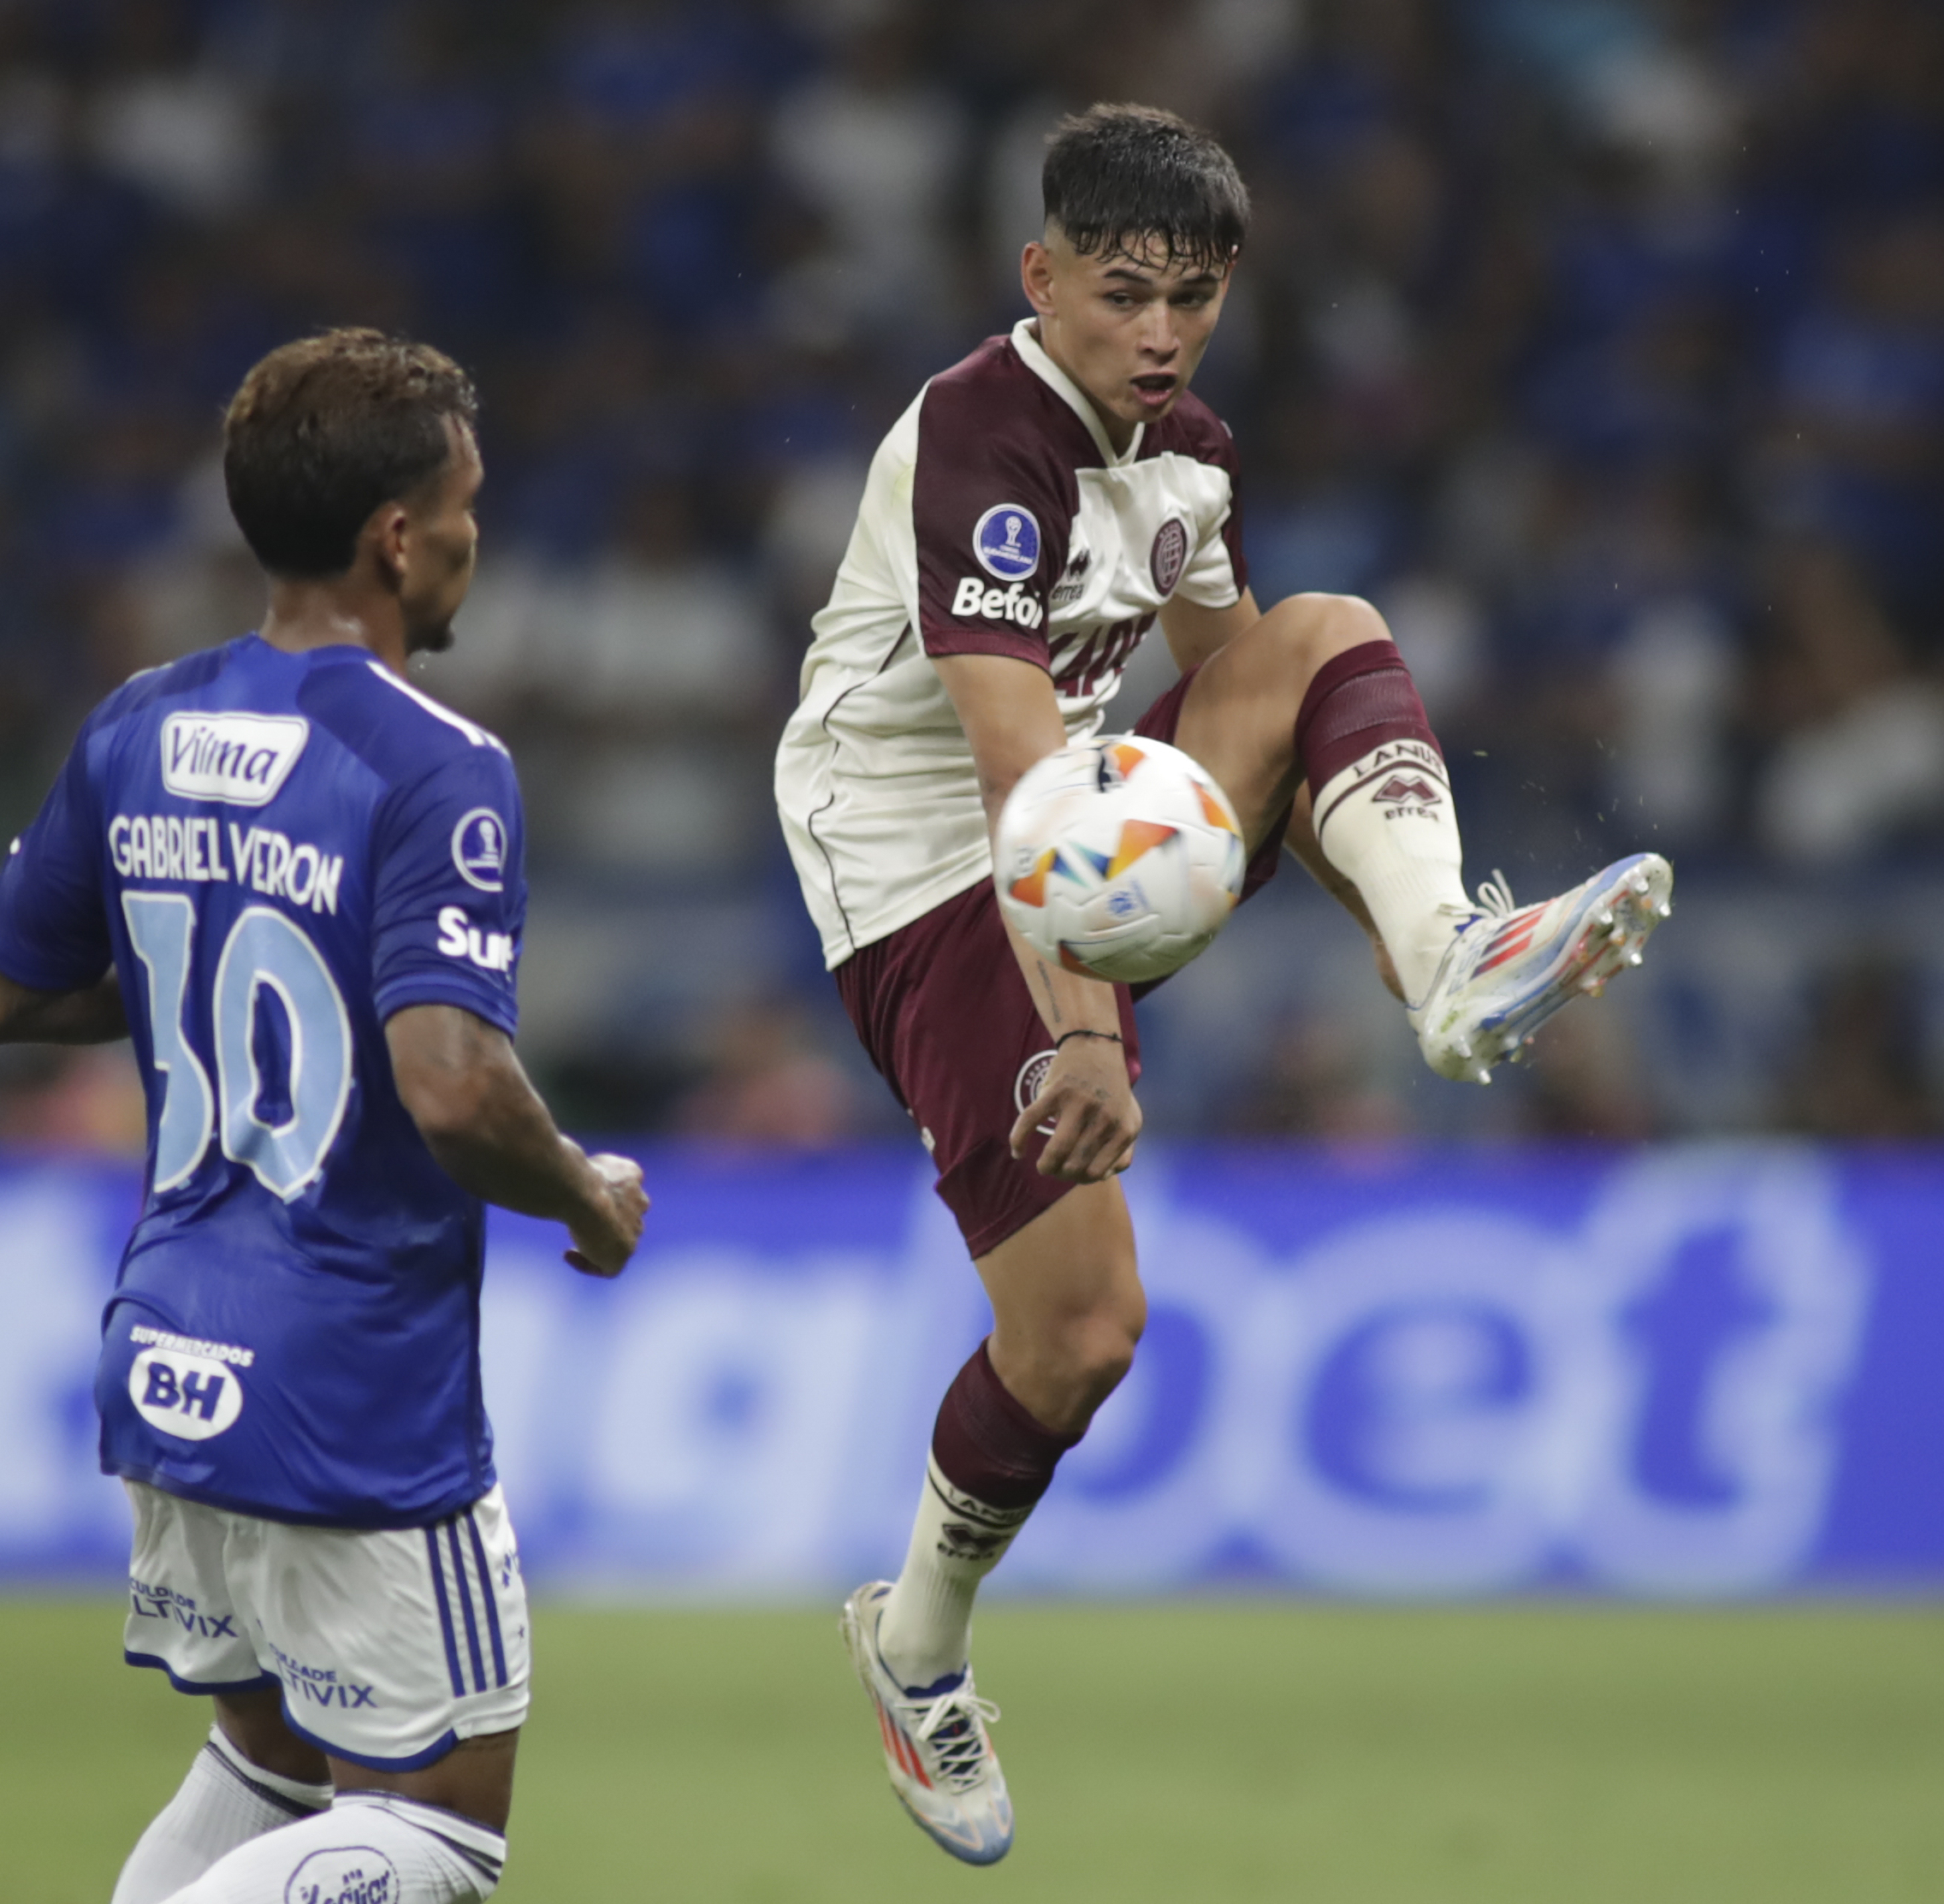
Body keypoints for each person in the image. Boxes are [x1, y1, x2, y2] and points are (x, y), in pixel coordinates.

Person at [772, 104, 1671, 1864]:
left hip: (1092, 842)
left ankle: (1450, 954)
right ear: (1041, 280)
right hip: (922, 884)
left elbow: (1243, 699)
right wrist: (1091, 1030)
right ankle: (913, 1642)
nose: (1160, 332)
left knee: (1321, 632)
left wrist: (1365, 905)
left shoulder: (1191, 455)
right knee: (1084, 1335)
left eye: (1191, 295)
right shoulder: (981, 436)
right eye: (1122, 294)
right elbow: (1018, 760)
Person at [0, 329, 647, 1904]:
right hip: (351, 1384)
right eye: (468, 502)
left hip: (166, 1340)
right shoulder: (434, 766)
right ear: (397, 537)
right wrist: (586, 1197)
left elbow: (5, 996)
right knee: (436, 1833)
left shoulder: (138, 720)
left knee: (268, 1771)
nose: (480, 534)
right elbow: (456, 1087)